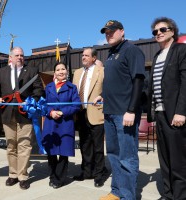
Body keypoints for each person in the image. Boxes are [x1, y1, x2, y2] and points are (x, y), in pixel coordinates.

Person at [96, 20, 145, 200]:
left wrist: (131, 110)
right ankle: (116, 192)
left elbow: (138, 80)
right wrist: (103, 95)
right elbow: (116, 82)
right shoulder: (110, 54)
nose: (108, 34)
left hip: (124, 114)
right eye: (106, 32)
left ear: (122, 32)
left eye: (112, 31)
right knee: (114, 155)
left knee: (127, 157)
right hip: (109, 112)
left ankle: (127, 196)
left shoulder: (131, 51)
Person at [0, 47, 44, 190]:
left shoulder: (32, 71)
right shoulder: (2, 72)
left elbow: (38, 90)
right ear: (11, 57)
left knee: (24, 146)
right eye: (17, 55)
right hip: (7, 114)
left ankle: (23, 176)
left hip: (25, 114)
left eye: (22, 55)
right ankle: (13, 174)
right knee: (11, 146)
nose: (20, 57)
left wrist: (32, 101)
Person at [147, 17, 186, 200]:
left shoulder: (181, 50)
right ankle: (168, 194)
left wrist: (181, 111)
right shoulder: (156, 56)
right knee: (164, 158)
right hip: (160, 114)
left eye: (162, 29)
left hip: (175, 115)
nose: (158, 33)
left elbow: (185, 83)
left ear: (172, 31)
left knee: (178, 159)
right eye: (155, 31)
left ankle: (180, 196)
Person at [72, 48, 108, 188]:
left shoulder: (101, 71)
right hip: (80, 113)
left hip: (96, 113)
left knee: (98, 147)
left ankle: (99, 175)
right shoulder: (77, 73)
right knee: (84, 145)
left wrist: (103, 96)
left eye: (86, 55)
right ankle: (86, 172)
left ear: (94, 58)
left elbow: (108, 89)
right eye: (82, 55)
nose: (83, 57)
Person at [42, 62, 80, 189]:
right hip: (51, 123)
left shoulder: (72, 88)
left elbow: (76, 105)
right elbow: (43, 105)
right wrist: (51, 112)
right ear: (55, 73)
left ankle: (59, 179)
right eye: (58, 69)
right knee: (51, 152)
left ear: (67, 71)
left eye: (63, 69)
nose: (61, 71)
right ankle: (52, 176)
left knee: (63, 153)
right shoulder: (48, 87)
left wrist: (63, 112)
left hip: (65, 123)